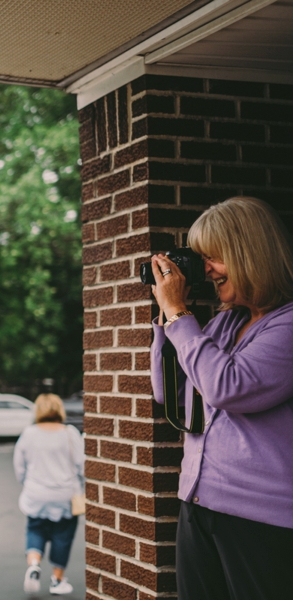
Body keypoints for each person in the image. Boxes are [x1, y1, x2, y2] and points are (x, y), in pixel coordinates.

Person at [149, 196, 293, 600]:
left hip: (261, 518)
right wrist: (166, 317)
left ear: (249, 254)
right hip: (199, 501)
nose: (207, 270)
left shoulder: (287, 325)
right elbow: (170, 393)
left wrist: (180, 316)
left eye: (214, 258)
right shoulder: (225, 322)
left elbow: (228, 387)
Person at [13, 393, 83, 595]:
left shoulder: (29, 433)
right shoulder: (70, 433)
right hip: (65, 496)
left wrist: (28, 483)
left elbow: (19, 467)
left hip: (36, 494)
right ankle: (57, 581)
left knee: (35, 529)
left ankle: (34, 565)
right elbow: (82, 466)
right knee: (63, 536)